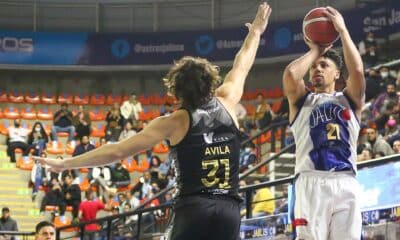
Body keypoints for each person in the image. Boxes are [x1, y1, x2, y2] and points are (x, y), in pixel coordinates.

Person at [34, 3, 272, 240]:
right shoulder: (228, 100)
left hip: (194, 208)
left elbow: (115, 151)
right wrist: (256, 32)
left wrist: (64, 164)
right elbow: (242, 64)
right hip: (229, 210)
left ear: (176, 93)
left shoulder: (175, 121)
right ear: (211, 81)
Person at [282, 6, 365, 239]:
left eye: (324, 65)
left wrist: (343, 30)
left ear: (337, 74)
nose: (317, 69)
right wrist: (316, 51)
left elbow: (357, 71)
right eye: (314, 67)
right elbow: (290, 75)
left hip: (345, 179)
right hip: (310, 181)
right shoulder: (302, 100)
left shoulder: (350, 100)